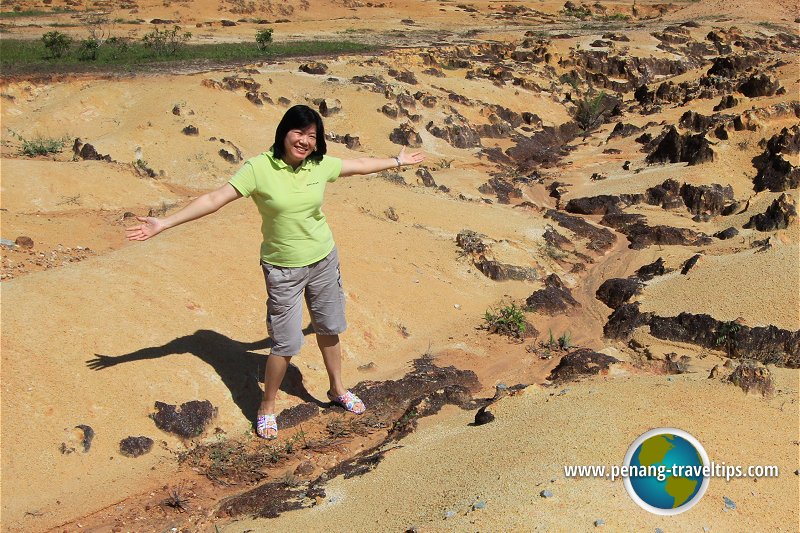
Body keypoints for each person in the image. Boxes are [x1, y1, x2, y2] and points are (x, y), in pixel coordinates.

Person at [126, 104, 425, 439]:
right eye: (299, 132)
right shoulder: (258, 168)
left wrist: (397, 161)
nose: (305, 141)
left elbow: (358, 166)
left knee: (328, 327)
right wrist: (165, 222)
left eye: (312, 136)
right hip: (283, 269)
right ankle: (267, 406)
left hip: (324, 259)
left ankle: (337, 389)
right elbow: (215, 198)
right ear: (284, 132)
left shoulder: (318, 164)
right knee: (285, 342)